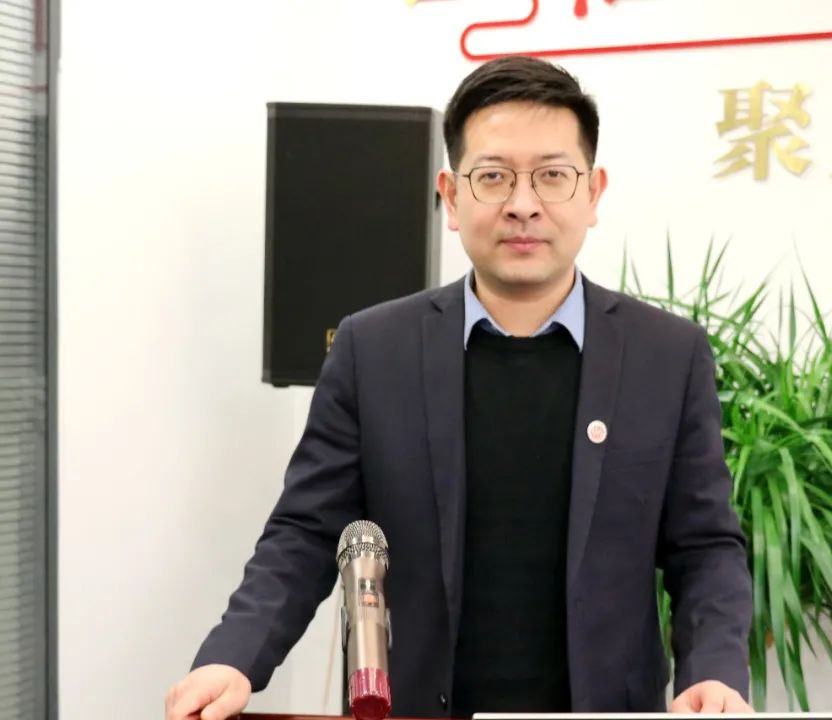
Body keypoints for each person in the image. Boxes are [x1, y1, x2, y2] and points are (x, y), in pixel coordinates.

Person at [165, 55, 753, 720]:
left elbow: (704, 546)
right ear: (450, 195)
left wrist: (714, 673)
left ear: (593, 193)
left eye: (553, 175)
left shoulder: (665, 356)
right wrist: (233, 657)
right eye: (493, 176)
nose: (523, 204)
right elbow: (305, 532)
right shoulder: (373, 350)